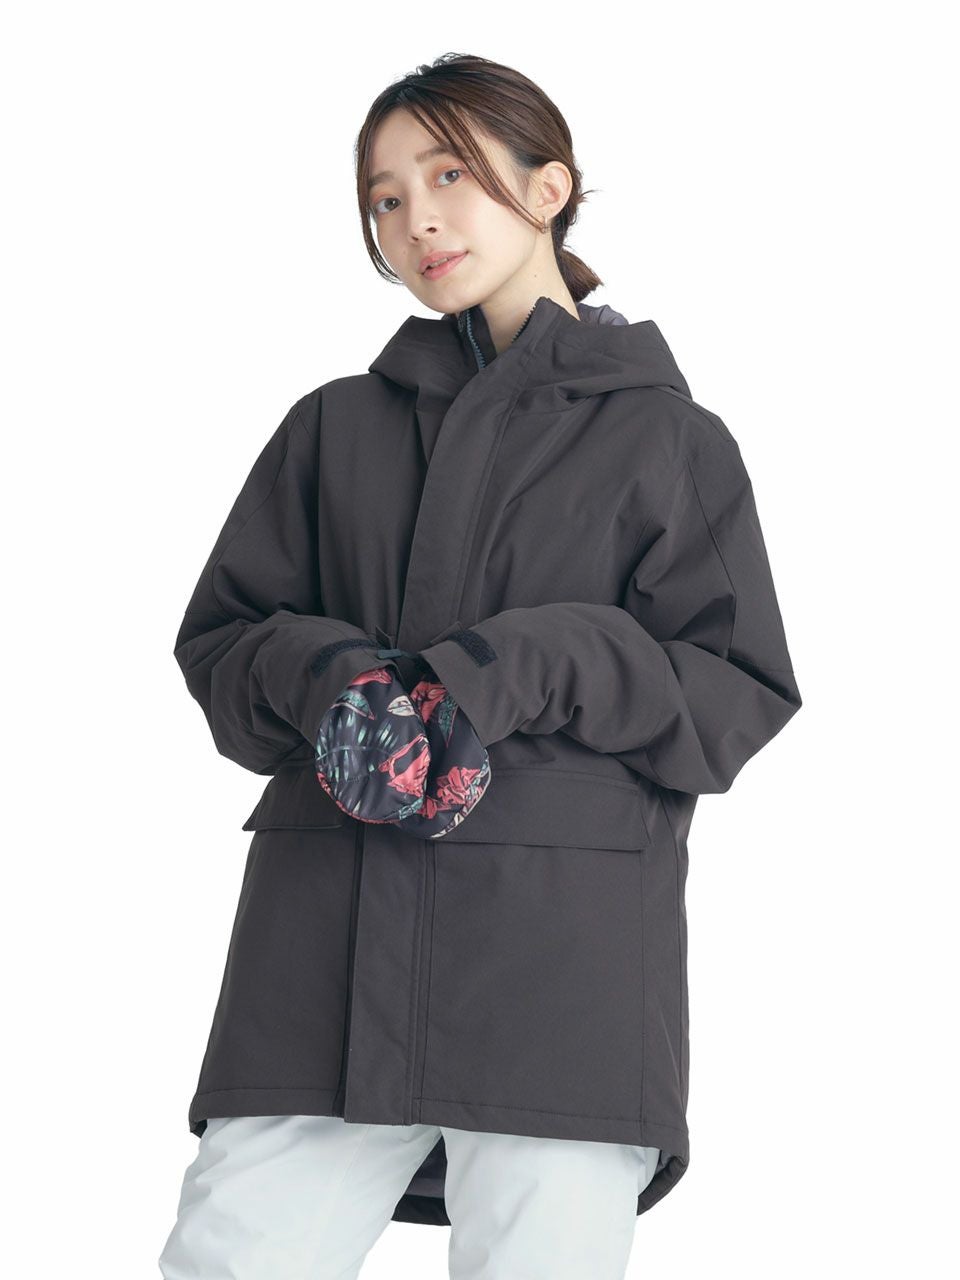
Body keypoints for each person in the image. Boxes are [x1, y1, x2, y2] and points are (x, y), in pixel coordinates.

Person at [158, 52, 802, 1280]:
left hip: (555, 962)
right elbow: (222, 644)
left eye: (449, 174)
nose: (418, 219)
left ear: (549, 188)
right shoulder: (332, 427)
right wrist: (329, 674)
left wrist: (528, 659)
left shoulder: (669, 442)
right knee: (232, 1258)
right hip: (322, 950)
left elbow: (732, 696)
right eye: (386, 197)